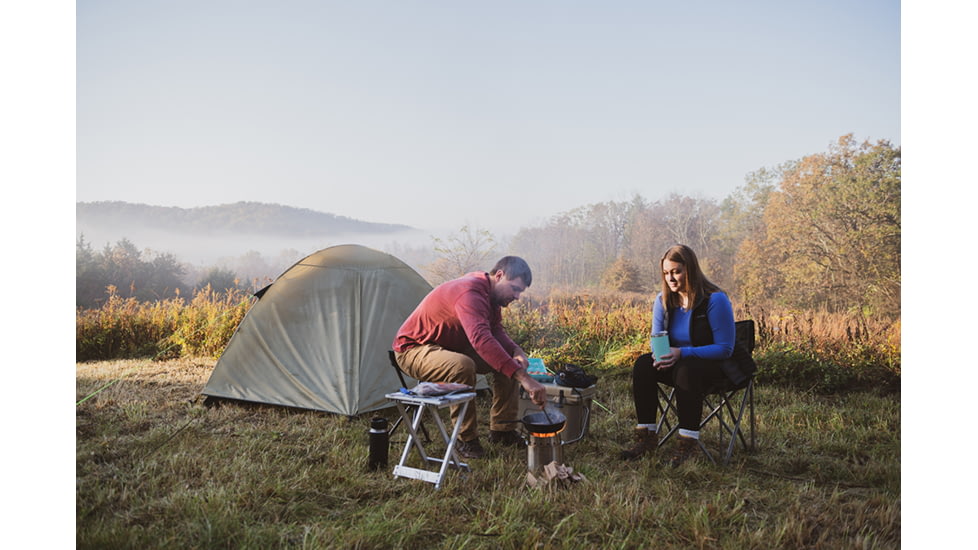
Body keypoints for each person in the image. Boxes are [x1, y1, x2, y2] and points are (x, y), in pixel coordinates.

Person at [393, 256, 548, 459]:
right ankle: (466, 439)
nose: (517, 296)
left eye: (520, 291)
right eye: (514, 288)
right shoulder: (470, 292)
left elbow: (495, 331)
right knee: (462, 366)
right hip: (413, 349)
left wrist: (516, 350)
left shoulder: (491, 295)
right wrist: (525, 379)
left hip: (449, 347)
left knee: (509, 361)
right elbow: (481, 339)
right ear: (499, 275)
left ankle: (503, 430)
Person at [620, 244, 736, 467]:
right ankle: (646, 438)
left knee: (686, 369)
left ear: (690, 269)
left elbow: (725, 348)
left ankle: (687, 444)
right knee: (643, 364)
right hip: (678, 363)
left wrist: (681, 352)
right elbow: (656, 339)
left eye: (676, 272)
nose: (670, 279)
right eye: (666, 273)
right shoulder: (663, 300)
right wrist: (660, 355)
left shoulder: (715, 300)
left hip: (713, 367)